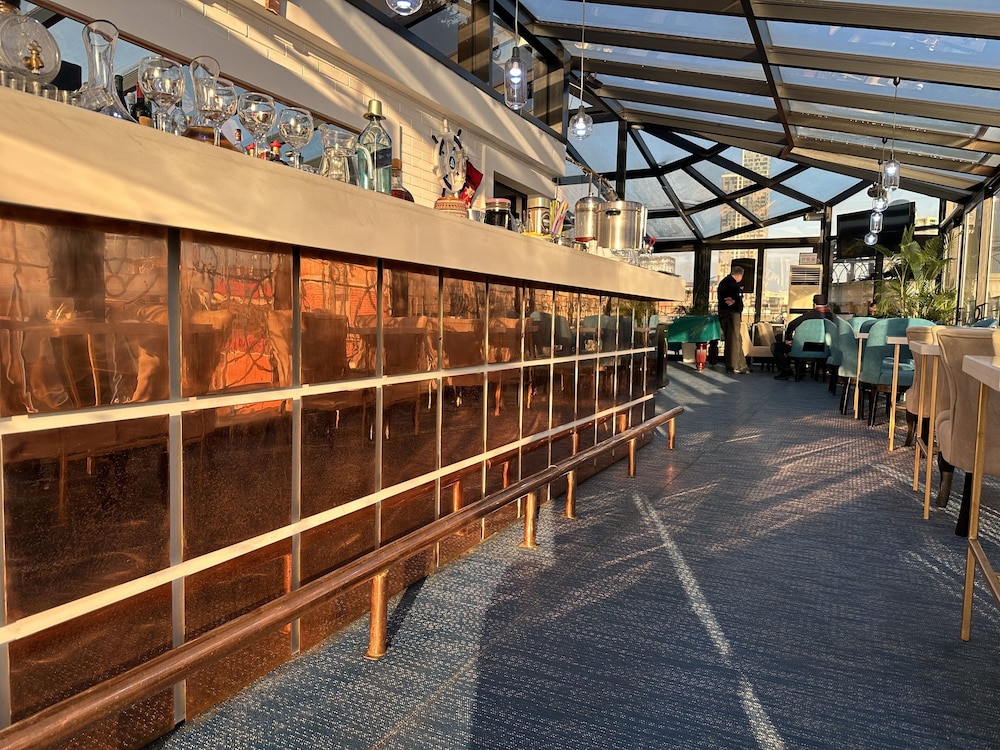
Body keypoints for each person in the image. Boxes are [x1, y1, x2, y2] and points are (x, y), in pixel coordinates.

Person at [772, 293, 837, 380]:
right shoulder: (833, 317)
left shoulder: (808, 315)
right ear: (827, 304)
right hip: (825, 349)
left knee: (775, 347)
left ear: (814, 304)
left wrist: (789, 339)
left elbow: (791, 325)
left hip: (804, 348)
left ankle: (787, 371)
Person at [717, 265, 748, 374]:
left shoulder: (724, 282)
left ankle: (741, 365)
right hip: (732, 315)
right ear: (740, 275)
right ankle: (734, 366)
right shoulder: (732, 284)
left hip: (726, 314)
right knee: (734, 340)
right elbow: (730, 301)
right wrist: (736, 304)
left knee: (736, 339)